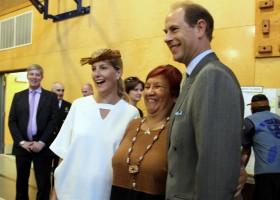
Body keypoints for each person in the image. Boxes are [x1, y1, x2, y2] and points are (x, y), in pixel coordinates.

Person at [164, 1, 245, 199]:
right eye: (165, 32)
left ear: (200, 28)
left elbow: (216, 170)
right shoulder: (194, 78)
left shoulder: (212, 77)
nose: (167, 38)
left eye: (174, 29)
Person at [49, 49, 140, 200]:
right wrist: (54, 195)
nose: (96, 73)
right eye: (93, 68)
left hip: (105, 194)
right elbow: (64, 155)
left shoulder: (131, 114)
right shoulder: (79, 105)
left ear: (118, 73)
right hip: (70, 192)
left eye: (103, 67)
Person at [111, 64, 182, 200]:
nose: (150, 92)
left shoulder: (176, 130)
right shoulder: (133, 125)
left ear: (175, 95)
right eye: (147, 86)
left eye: (158, 86)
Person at [8, 64, 59, 200]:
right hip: (22, 148)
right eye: (31, 74)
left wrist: (42, 142)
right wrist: (22, 142)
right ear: (27, 76)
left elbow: (53, 121)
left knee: (43, 185)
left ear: (42, 77)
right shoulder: (18, 96)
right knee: (21, 184)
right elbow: (12, 121)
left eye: (37, 74)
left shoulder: (51, 97)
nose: (34, 77)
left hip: (42, 148)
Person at [242, 94, 280, 200]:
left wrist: (241, 170)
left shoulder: (249, 121)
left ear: (252, 109)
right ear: (268, 108)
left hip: (267, 175)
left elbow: (245, 150)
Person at [50, 82, 71, 184]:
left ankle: (56, 190)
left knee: (58, 170)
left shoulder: (69, 106)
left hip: (61, 142)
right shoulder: (46, 105)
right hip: (48, 142)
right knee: (45, 170)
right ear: (52, 91)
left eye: (63, 90)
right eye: (58, 90)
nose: (61, 93)